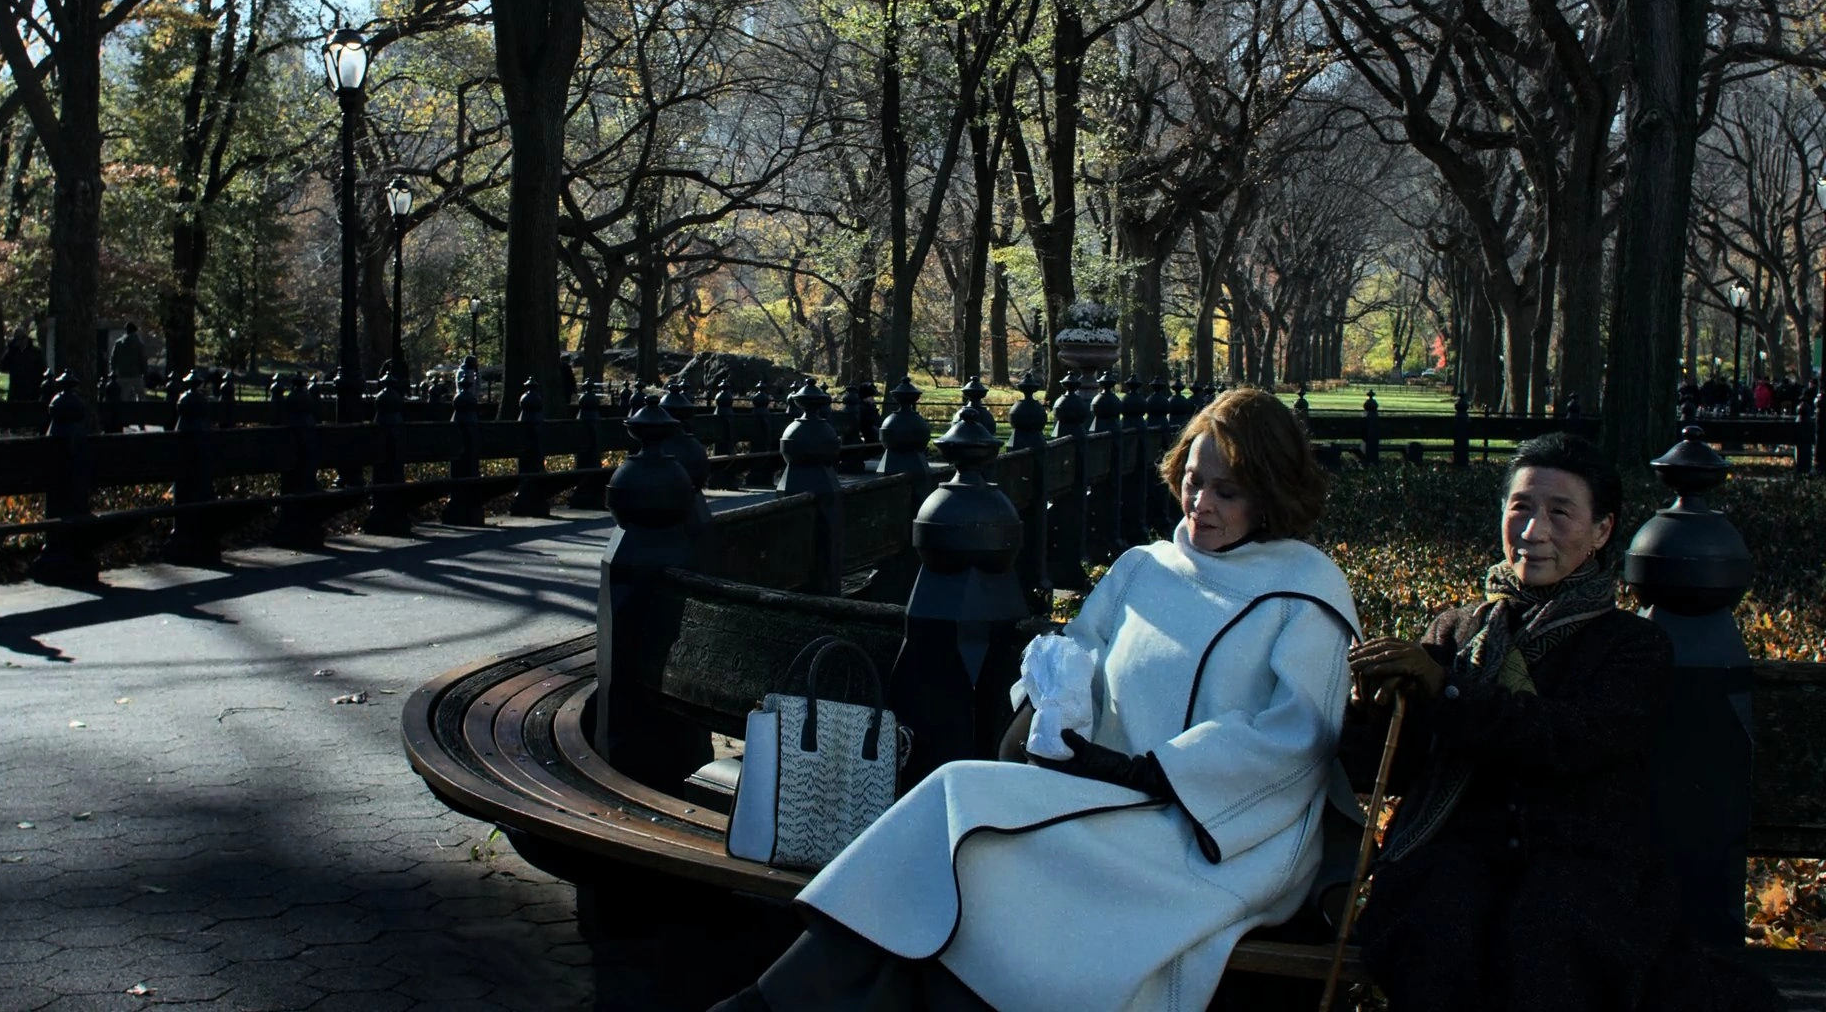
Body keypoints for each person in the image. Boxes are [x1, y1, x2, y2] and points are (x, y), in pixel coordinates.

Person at [711, 387, 1360, 1012]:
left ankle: (773, 1003)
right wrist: (1052, 706)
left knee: (975, 833)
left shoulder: (1306, 591)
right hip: (1103, 801)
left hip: (1215, 843)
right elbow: (1076, 656)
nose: (1200, 503)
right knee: (959, 801)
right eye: (1193, 480)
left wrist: (1157, 772)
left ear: (1270, 494)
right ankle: (773, 1001)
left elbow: (1298, 737)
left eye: (1227, 491)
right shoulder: (1145, 567)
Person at [1344, 433, 1781, 1012]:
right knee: (1435, 926)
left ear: (1601, 530)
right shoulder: (1458, 630)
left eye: (1560, 512)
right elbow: (1398, 766)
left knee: (1550, 940)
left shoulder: (1632, 646)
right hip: (1457, 861)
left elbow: (1567, 740)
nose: (1533, 531)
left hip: (1582, 870)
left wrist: (1445, 689)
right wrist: (1376, 707)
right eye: (1520, 507)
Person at [110, 321, 147, 401]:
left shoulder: (119, 343)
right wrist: (145, 371)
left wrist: (113, 370)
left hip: (122, 373)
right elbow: (143, 358)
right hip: (136, 373)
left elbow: (113, 358)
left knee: (123, 396)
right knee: (141, 396)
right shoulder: (139, 343)